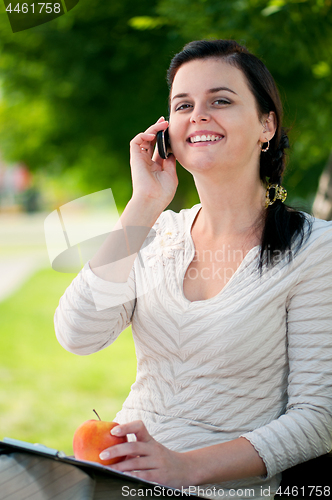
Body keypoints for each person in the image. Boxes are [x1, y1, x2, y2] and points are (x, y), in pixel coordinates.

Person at [54, 40, 332, 499]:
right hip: (123, 480)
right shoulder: (154, 231)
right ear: (168, 130)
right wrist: (142, 205)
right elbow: (78, 336)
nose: (198, 115)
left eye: (220, 100)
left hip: (225, 489)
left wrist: (181, 467)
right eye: (184, 105)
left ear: (267, 125)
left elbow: (319, 420)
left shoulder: (314, 247)